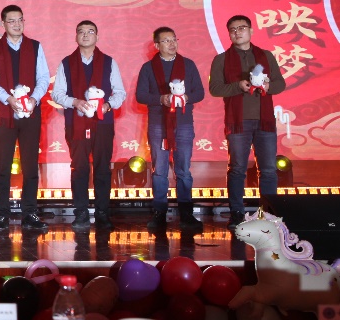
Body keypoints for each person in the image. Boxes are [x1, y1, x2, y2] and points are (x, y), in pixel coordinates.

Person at [209, 15, 286, 230]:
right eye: (233, 29)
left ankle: (268, 215)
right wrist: (238, 86)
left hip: (264, 121)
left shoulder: (266, 56)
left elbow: (280, 84)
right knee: (237, 169)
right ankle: (236, 213)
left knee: (268, 170)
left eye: (242, 28)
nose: (237, 32)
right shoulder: (221, 59)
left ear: (251, 31)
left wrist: (268, 86)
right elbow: (215, 88)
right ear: (229, 34)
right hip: (238, 122)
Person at [0, 5, 50, 233]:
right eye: (11, 21)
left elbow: (43, 77)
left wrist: (34, 99)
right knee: (3, 165)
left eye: (20, 19)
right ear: (3, 24)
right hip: (4, 113)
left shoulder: (35, 46)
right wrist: (8, 98)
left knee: (30, 165)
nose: (17, 24)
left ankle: (30, 213)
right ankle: (2, 215)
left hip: (30, 112)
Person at [51, 20, 126, 231]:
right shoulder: (66, 63)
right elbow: (57, 94)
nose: (85, 35)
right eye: (81, 32)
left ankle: (102, 213)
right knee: (79, 167)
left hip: (103, 122)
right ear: (76, 37)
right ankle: (81, 213)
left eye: (90, 31)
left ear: (97, 37)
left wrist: (108, 105)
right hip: (76, 122)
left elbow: (120, 92)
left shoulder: (109, 62)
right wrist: (75, 102)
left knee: (102, 167)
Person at [135, 27, 205, 233]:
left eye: (174, 39)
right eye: (166, 41)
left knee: (183, 170)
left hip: (183, 123)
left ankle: (186, 213)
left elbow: (200, 92)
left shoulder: (188, 65)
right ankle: (159, 213)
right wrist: (161, 99)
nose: (172, 43)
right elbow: (140, 95)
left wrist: (185, 98)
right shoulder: (148, 68)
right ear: (157, 45)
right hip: (158, 124)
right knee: (160, 170)